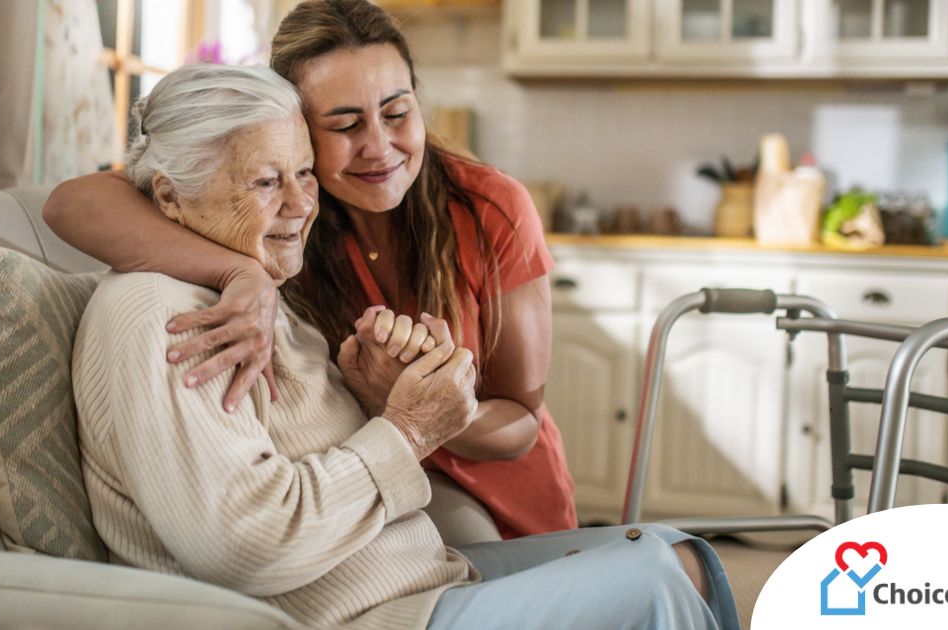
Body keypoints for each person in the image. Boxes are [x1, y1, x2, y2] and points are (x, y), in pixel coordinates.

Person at [73, 62, 738, 629]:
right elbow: (247, 543)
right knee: (655, 575)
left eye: (304, 174)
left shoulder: (249, 290)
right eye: (266, 181)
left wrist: (376, 391)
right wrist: (409, 428)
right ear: (169, 195)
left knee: (681, 552)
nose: (302, 205)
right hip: (370, 617)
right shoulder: (162, 316)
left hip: (416, 581)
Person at [45, 0, 574, 541]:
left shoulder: (489, 207)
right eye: (344, 124)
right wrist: (239, 273)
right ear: (296, 127)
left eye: (397, 113)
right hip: (375, 493)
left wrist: (426, 407)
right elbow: (71, 204)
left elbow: (522, 425)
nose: (379, 147)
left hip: (506, 499)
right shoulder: (286, 218)